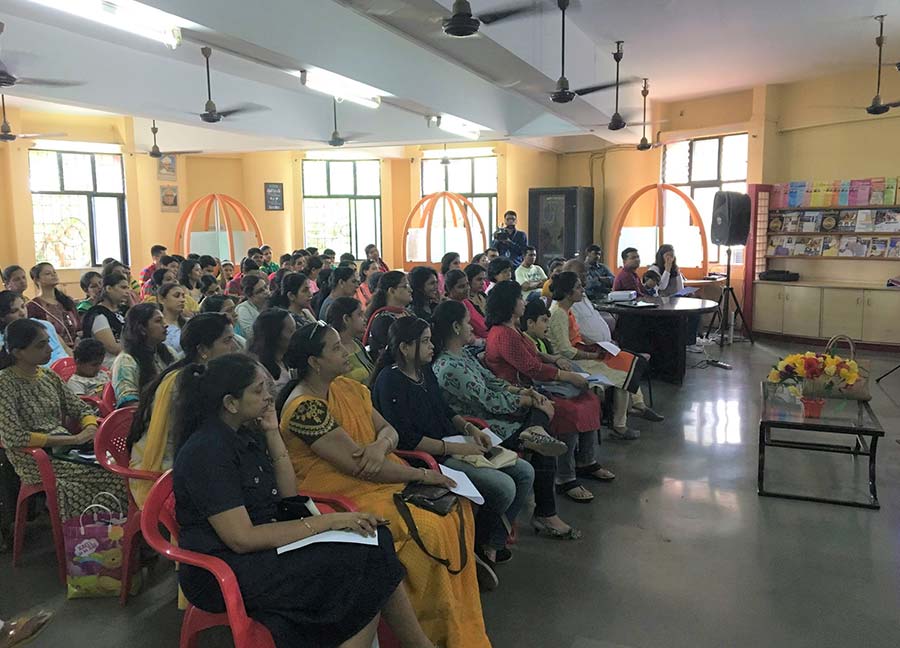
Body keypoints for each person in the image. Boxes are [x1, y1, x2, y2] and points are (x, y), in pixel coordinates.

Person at [172, 353, 433, 648]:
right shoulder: (207, 452)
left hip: (263, 544)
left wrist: (272, 431)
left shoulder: (245, 432)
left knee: (376, 539)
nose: (269, 397)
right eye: (259, 391)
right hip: (226, 566)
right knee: (363, 562)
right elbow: (241, 538)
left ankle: (419, 645)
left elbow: (288, 495)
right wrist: (328, 522)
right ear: (231, 403)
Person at [277, 322, 490, 647]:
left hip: (378, 477)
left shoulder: (346, 388)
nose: (346, 350)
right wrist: (421, 475)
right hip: (339, 495)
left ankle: (456, 599)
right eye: (335, 348)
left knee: (456, 505)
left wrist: (380, 446)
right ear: (313, 361)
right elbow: (359, 468)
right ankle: (428, 627)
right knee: (428, 526)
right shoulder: (304, 408)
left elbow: (387, 430)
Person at [371, 316, 535, 581]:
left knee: (525, 471)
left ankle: (490, 542)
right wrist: (457, 447)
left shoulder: (424, 372)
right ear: (404, 347)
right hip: (428, 458)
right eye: (424, 342)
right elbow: (407, 440)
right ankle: (477, 545)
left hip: (454, 443)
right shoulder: (390, 382)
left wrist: (471, 430)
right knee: (504, 487)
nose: (431, 346)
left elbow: (445, 410)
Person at [430, 301, 579, 540]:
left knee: (542, 415)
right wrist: (524, 401)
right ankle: (545, 512)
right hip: (482, 426)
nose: (473, 327)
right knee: (542, 437)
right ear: (457, 327)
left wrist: (522, 392)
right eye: (469, 322)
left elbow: (492, 382)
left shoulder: (463, 355)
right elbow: (486, 400)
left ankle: (534, 433)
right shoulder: (448, 366)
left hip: (497, 414)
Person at [484, 281, 602, 503]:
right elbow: (530, 367)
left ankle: (586, 461)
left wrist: (555, 358)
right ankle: (565, 478)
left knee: (589, 398)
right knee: (568, 410)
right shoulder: (503, 334)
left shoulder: (513, 329)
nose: (524, 302)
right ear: (509, 304)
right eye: (520, 298)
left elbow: (534, 354)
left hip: (533, 385)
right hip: (518, 391)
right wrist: (567, 376)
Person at [0, 319, 126, 520]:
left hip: (65, 450)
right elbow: (13, 437)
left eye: (48, 342)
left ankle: (118, 539)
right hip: (35, 459)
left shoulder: (48, 376)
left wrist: (90, 426)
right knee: (113, 478)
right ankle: (99, 540)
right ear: (17, 353)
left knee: (121, 469)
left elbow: (80, 408)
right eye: (41, 345)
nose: (50, 349)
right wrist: (74, 440)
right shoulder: (4, 383)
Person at [127, 313, 239, 507]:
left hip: (190, 458)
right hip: (166, 468)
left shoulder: (204, 375)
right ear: (203, 349)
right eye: (227, 341)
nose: (235, 347)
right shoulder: (186, 383)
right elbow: (197, 443)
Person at [545, 272, 662, 441]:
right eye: (578, 287)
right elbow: (566, 350)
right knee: (622, 373)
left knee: (627, 360)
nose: (582, 290)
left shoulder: (566, 309)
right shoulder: (558, 314)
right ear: (568, 293)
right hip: (570, 362)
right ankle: (620, 425)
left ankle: (636, 406)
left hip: (581, 353)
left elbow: (578, 336)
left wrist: (598, 345)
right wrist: (593, 355)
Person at [111, 303, 176, 407]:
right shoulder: (126, 361)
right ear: (142, 329)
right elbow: (128, 404)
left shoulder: (168, 351)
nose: (166, 324)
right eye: (158, 321)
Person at [647, 244, 704, 353]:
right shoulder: (654, 269)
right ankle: (687, 341)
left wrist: (684, 293)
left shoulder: (675, 269)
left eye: (671, 256)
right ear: (661, 256)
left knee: (695, 309)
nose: (670, 258)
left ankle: (690, 340)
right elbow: (661, 286)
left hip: (674, 299)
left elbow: (679, 287)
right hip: (660, 301)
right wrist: (667, 269)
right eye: (667, 255)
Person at [0, 291, 69, 365]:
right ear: (2, 317)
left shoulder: (44, 325)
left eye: (23, 306)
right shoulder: (3, 341)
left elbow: (66, 349)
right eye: (14, 311)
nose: (22, 313)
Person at [81, 272, 130, 367]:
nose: (127, 291)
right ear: (109, 289)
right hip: (108, 362)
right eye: (123, 288)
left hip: (126, 356)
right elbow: (113, 348)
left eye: (128, 288)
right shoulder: (98, 314)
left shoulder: (124, 310)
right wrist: (140, 348)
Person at [26, 262, 79, 348]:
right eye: (48, 273)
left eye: (54, 272)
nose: (53, 275)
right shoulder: (33, 306)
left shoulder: (66, 301)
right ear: (36, 279)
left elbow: (78, 326)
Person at [363, 271, 412, 362]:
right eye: (405, 286)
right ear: (392, 291)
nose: (410, 290)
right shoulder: (383, 320)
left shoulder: (407, 312)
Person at [325, 297, 374, 385]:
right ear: (346, 319)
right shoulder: (334, 351)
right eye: (359, 315)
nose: (365, 319)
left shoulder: (357, 343)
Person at [249, 308, 297, 397]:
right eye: (291, 331)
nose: (296, 334)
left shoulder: (286, 358)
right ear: (275, 335)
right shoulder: (259, 370)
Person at [235, 275, 269, 343]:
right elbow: (252, 335)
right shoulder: (243, 309)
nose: (266, 291)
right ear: (250, 296)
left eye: (265, 287)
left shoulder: (270, 303)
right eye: (260, 291)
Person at [157, 282, 187, 356]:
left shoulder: (189, 323)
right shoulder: (156, 326)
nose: (182, 300)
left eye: (183, 296)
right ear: (161, 299)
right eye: (176, 296)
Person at [463, 264, 488, 338]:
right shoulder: (464, 302)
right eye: (479, 279)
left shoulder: (483, 296)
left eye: (484, 279)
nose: (483, 283)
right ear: (469, 280)